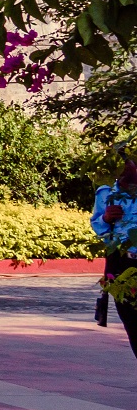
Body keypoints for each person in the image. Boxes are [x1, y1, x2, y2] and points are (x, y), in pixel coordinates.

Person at [92, 148, 137, 362]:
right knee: (133, 324)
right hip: (122, 265)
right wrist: (106, 219)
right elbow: (99, 228)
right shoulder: (105, 193)